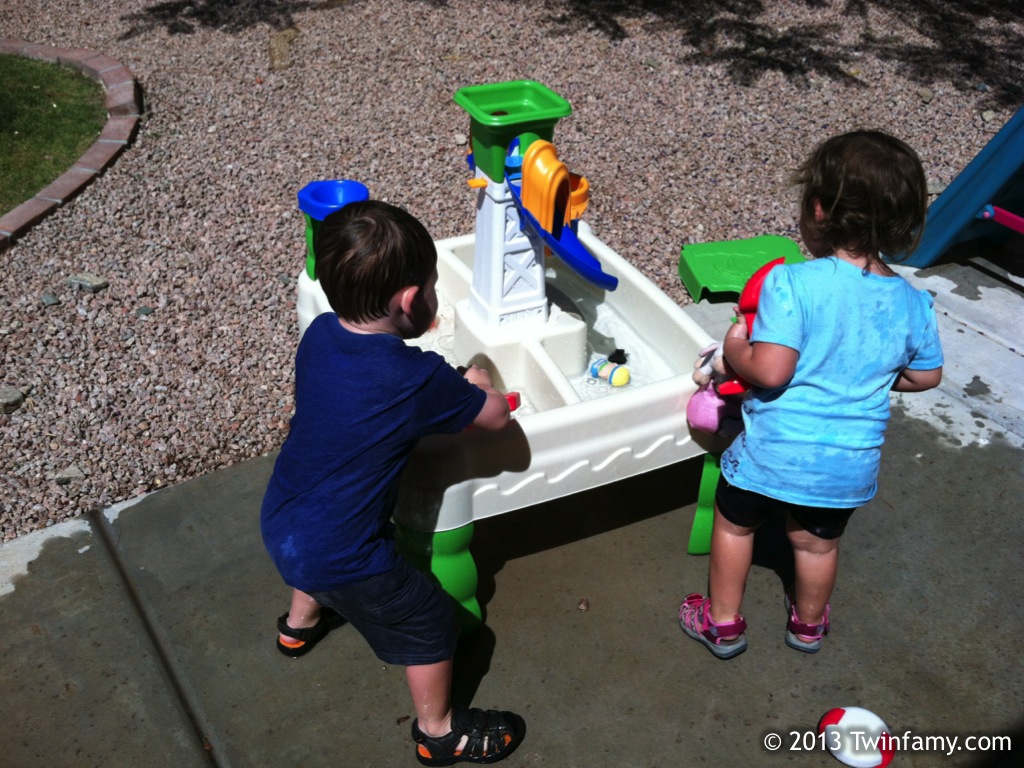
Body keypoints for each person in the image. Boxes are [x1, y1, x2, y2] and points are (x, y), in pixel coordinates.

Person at [261, 199, 526, 764]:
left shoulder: (321, 335)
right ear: (412, 301)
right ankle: (438, 733)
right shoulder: (418, 376)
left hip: (282, 517)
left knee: (315, 550)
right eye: (431, 286)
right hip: (343, 554)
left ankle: (297, 628)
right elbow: (496, 416)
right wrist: (478, 380)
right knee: (428, 619)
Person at [679, 130, 944, 659]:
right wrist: (866, 373)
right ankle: (808, 626)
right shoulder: (914, 304)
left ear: (818, 210)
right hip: (847, 464)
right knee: (816, 542)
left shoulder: (792, 283)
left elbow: (771, 371)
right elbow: (925, 377)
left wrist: (734, 348)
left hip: (774, 452)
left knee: (735, 527)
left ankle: (723, 623)